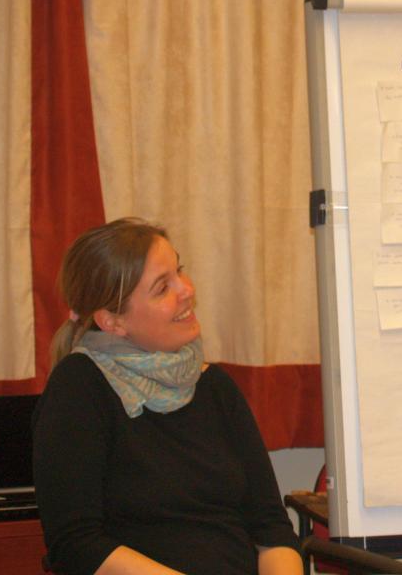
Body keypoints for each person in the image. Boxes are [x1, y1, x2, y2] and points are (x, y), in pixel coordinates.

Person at [33, 218, 303, 575]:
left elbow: (272, 529)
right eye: (162, 288)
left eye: (180, 271)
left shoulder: (215, 386)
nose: (187, 290)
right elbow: (76, 545)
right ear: (112, 321)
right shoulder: (79, 387)